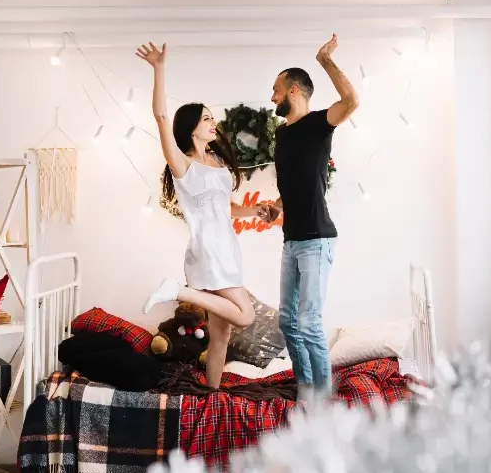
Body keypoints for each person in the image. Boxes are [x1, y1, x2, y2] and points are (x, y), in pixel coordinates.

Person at [136, 42, 265, 390]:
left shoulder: (218, 164)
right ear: (192, 128)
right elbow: (161, 117)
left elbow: (228, 209)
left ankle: (212, 395)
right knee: (246, 314)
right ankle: (178, 290)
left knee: (220, 336)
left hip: (227, 247)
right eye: (206, 117)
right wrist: (159, 68)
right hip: (211, 249)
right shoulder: (183, 165)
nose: (213, 122)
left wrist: (256, 210)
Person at [264, 34, 359, 404]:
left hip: (317, 239)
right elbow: (294, 182)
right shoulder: (281, 135)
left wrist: (326, 61)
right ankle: (306, 385)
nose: (272, 97)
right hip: (291, 240)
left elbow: (351, 100)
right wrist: (277, 206)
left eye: (276, 89)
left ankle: (323, 399)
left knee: (309, 322)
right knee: (286, 321)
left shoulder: (321, 124)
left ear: (294, 91)